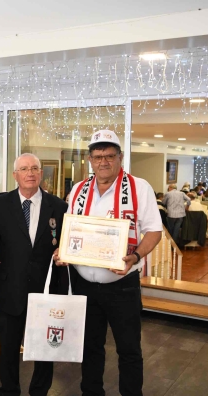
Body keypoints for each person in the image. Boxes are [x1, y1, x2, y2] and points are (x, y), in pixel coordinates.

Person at [54, 129, 162, 396]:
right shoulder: (78, 190)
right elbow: (72, 228)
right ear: (90, 160)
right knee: (90, 346)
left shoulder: (139, 188)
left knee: (129, 349)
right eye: (98, 156)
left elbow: (154, 231)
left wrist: (135, 257)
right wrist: (63, 250)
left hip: (122, 285)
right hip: (83, 284)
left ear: (120, 158)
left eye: (110, 156)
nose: (103, 162)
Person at [0, 153, 68, 396]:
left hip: (47, 292)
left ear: (41, 173)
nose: (29, 173)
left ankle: (40, 391)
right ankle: (9, 391)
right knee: (8, 350)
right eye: (24, 169)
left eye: (34, 168)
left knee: (45, 349)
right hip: (10, 291)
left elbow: (65, 248)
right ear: (15, 175)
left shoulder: (59, 207)